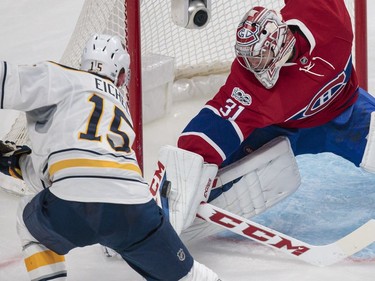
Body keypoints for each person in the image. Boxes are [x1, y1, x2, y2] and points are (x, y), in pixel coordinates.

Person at [0, 34, 221, 281]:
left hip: (74, 206)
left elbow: (58, 176)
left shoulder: (59, 77)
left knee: (29, 222)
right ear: (122, 76)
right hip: (135, 210)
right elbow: (93, 169)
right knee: (189, 275)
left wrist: (16, 163)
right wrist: (17, 163)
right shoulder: (121, 110)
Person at [151, 0, 375, 239]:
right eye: (248, 58)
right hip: (280, 131)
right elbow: (219, 117)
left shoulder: (326, 19)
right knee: (212, 180)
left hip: (348, 114)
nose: (252, 65)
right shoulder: (250, 80)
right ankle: (149, 226)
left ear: (279, 42)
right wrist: (187, 161)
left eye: (259, 57)